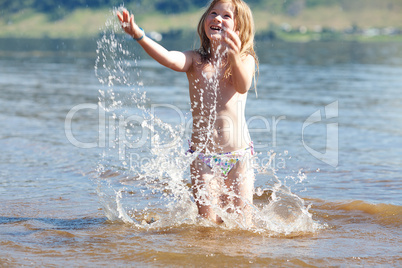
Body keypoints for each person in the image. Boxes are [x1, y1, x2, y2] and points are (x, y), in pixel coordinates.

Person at [117, 0, 258, 226]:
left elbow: (242, 86)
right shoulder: (196, 60)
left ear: (239, 28)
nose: (218, 18)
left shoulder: (244, 60)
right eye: (213, 13)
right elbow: (169, 58)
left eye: (226, 16)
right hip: (203, 158)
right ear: (204, 21)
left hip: (238, 157)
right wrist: (138, 35)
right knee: (208, 224)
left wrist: (232, 53)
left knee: (243, 224)